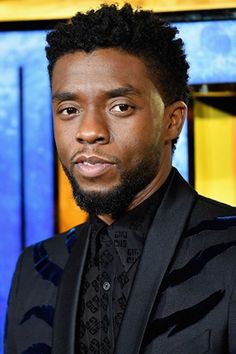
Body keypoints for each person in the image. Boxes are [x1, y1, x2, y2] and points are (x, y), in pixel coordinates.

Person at [4, 3, 236, 354]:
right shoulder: (35, 270)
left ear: (173, 120)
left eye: (120, 107)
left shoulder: (230, 253)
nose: (89, 131)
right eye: (69, 110)